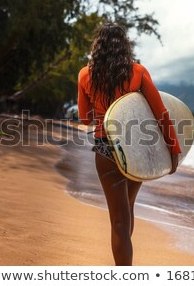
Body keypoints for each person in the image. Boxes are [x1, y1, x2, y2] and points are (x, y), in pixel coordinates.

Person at [77, 23, 182, 266]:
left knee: (120, 219)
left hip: (105, 148)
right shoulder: (138, 72)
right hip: (137, 149)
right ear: (125, 46)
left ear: (97, 46)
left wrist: (103, 109)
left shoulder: (85, 75)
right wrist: (173, 150)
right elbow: (161, 114)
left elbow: (85, 118)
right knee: (127, 210)